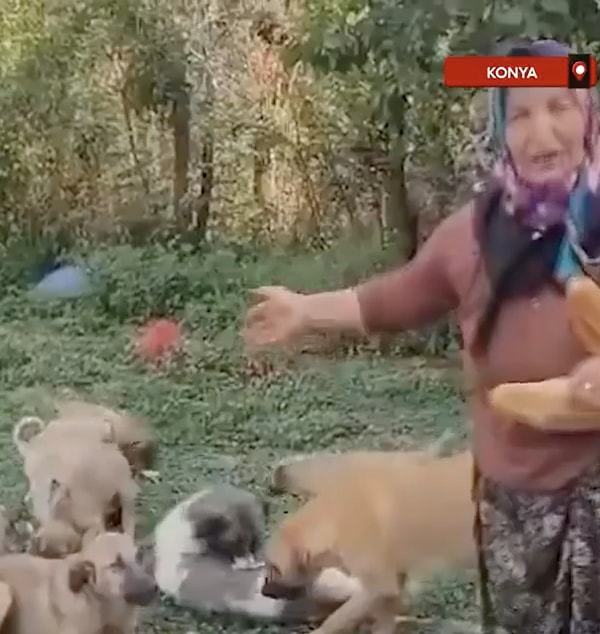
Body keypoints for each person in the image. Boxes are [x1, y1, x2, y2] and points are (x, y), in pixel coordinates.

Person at [242, 38, 600, 633]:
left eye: (560, 106)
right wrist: (305, 311)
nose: (543, 133)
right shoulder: (471, 236)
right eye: (522, 114)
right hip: (515, 506)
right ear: (501, 131)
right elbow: (394, 298)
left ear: (588, 114)